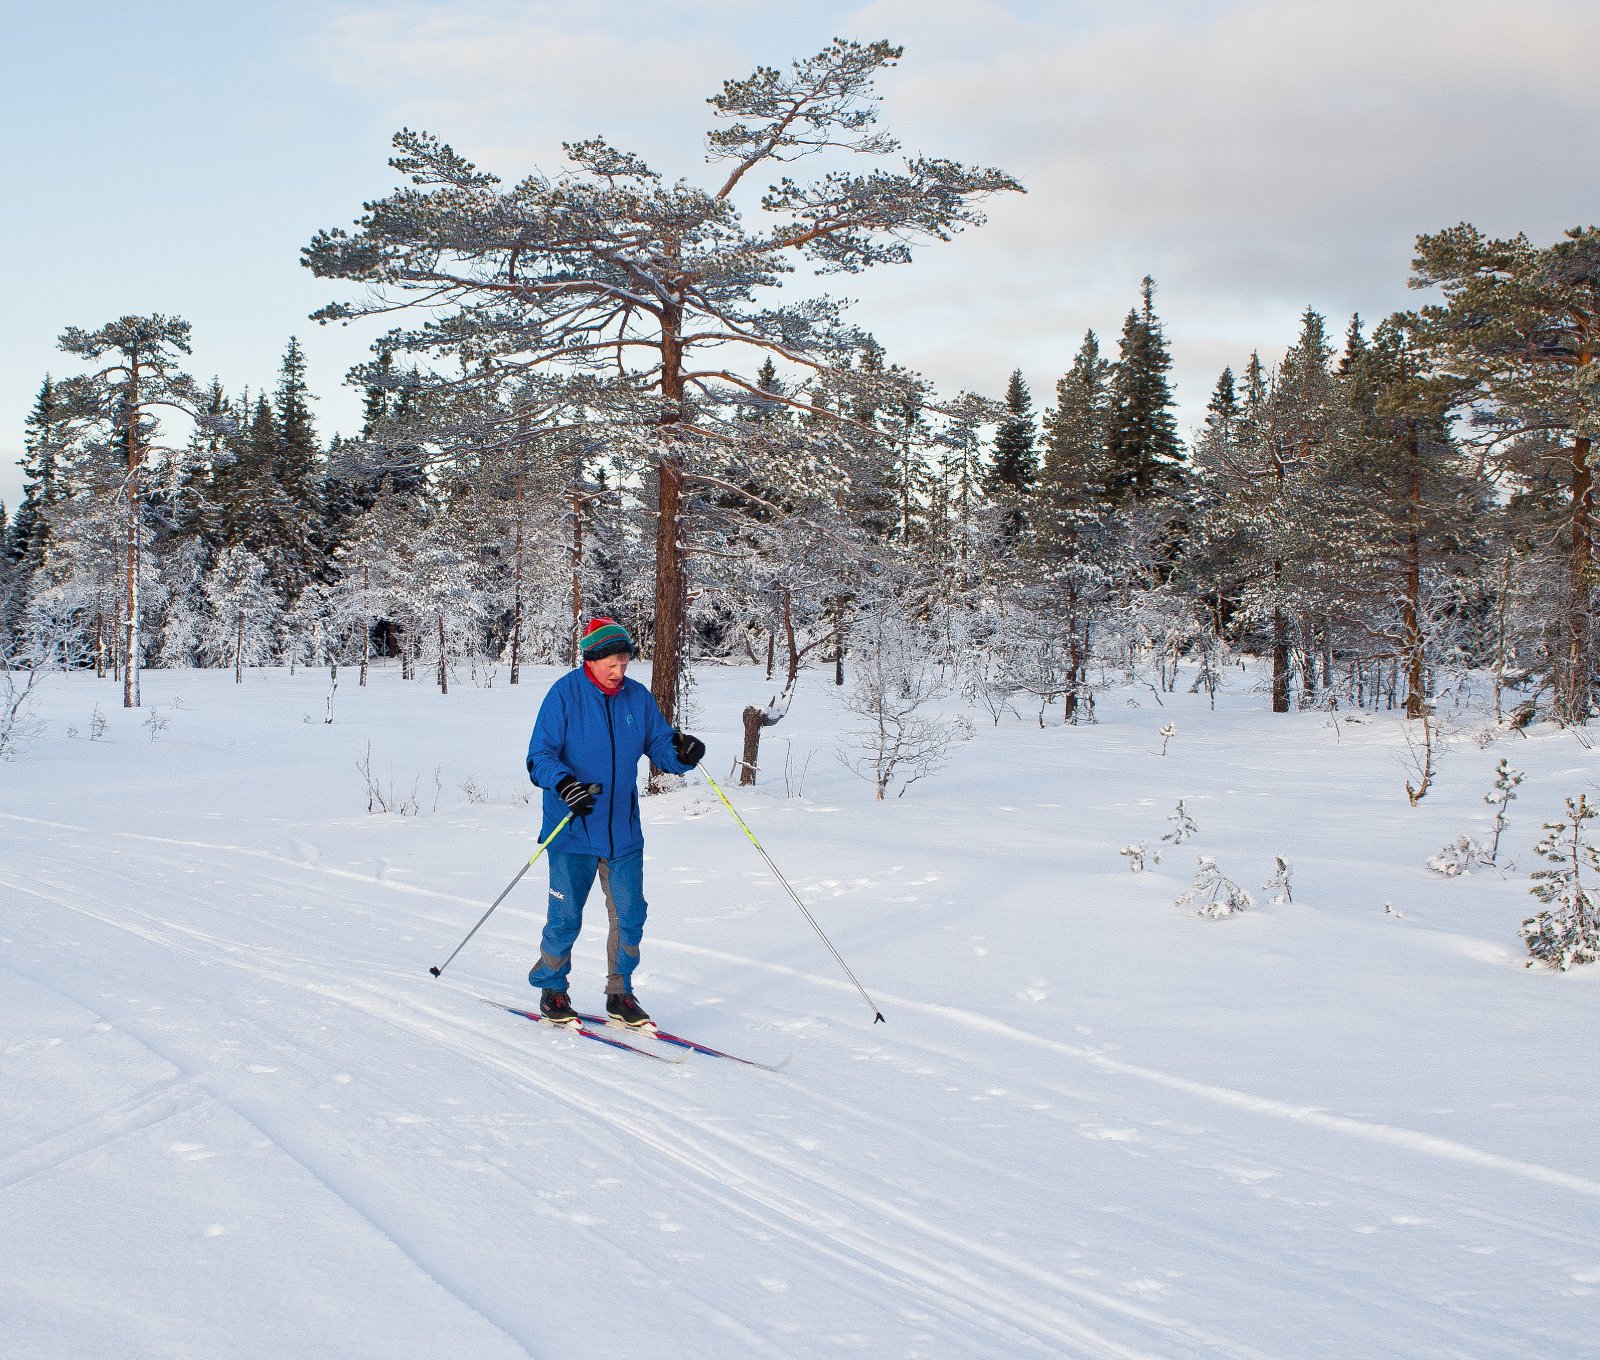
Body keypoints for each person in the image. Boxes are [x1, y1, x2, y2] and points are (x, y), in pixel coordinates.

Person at [524, 617, 706, 1028]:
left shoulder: (637, 698)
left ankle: (619, 994)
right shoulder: (565, 695)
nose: (618, 671)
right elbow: (539, 756)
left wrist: (683, 753)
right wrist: (564, 783)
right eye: (611, 663)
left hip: (622, 832)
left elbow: (660, 744)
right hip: (571, 828)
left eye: (624, 662)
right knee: (566, 916)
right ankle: (552, 988)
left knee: (630, 915)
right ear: (591, 660)